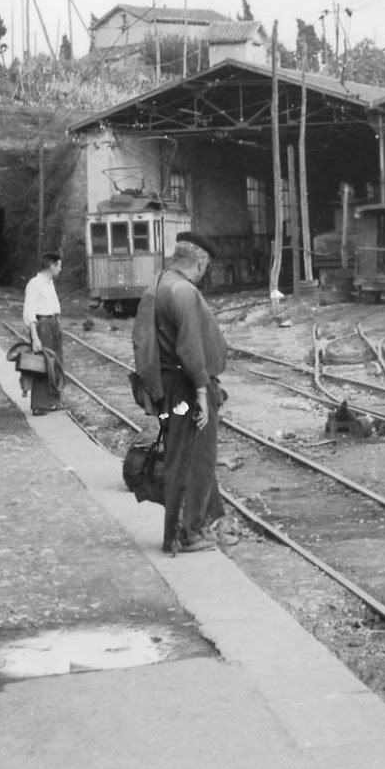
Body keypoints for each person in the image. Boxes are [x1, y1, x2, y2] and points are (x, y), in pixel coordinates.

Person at [132, 231, 228, 555]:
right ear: (200, 261)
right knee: (195, 459)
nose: (205, 274)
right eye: (206, 267)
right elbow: (189, 347)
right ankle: (188, 534)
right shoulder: (183, 291)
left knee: (180, 456)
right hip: (188, 392)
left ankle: (187, 529)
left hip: (170, 391)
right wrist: (202, 391)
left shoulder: (158, 283)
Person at [22, 252, 65, 416]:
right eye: (59, 266)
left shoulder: (49, 283)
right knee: (41, 363)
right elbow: (29, 311)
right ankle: (39, 404)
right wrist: (35, 337)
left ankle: (52, 401)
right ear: (52, 266)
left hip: (53, 323)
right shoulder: (35, 284)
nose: (60, 269)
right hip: (43, 325)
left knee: (56, 362)